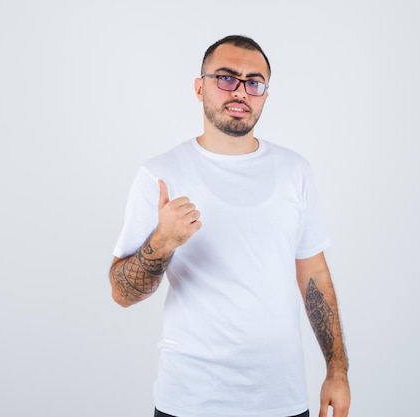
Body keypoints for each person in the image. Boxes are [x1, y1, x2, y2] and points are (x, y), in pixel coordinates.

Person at [109, 35, 350, 417]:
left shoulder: (294, 171)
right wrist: (162, 242)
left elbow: (314, 273)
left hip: (280, 397)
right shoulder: (161, 174)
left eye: (254, 82)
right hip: (190, 399)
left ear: (265, 95)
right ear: (199, 87)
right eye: (225, 77)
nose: (240, 91)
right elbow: (122, 293)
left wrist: (337, 371)